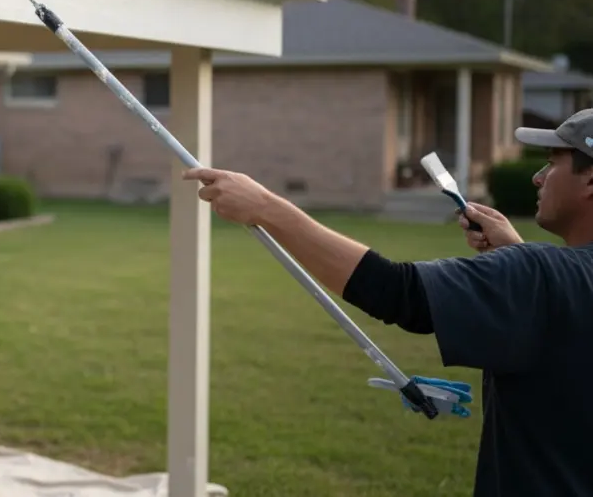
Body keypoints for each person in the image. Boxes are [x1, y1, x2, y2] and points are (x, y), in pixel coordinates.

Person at [181, 108, 593, 497]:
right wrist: (512, 261)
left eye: (553, 162)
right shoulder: (542, 281)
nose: (538, 177)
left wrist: (266, 208)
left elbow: (398, 293)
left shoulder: (537, 277)